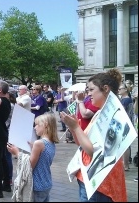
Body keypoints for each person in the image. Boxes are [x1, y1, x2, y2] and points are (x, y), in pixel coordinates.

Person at [60, 68, 127, 202]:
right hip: (87, 176)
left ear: (105, 88)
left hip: (100, 182)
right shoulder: (99, 113)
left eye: (91, 90)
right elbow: (82, 144)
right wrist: (73, 128)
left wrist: (76, 127)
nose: (88, 94)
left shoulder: (114, 115)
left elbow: (94, 152)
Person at [7, 112, 59, 202]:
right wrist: (33, 148)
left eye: (37, 125)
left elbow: (30, 166)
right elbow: (42, 158)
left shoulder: (39, 143)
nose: (35, 128)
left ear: (45, 125)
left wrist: (17, 153)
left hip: (36, 184)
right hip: (46, 182)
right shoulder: (51, 142)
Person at [118, 83, 134, 171]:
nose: (119, 90)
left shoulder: (126, 100)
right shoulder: (124, 99)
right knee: (125, 144)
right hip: (125, 123)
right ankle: (125, 164)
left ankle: (126, 165)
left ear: (125, 89)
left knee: (125, 145)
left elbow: (120, 110)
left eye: (120, 89)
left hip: (125, 123)